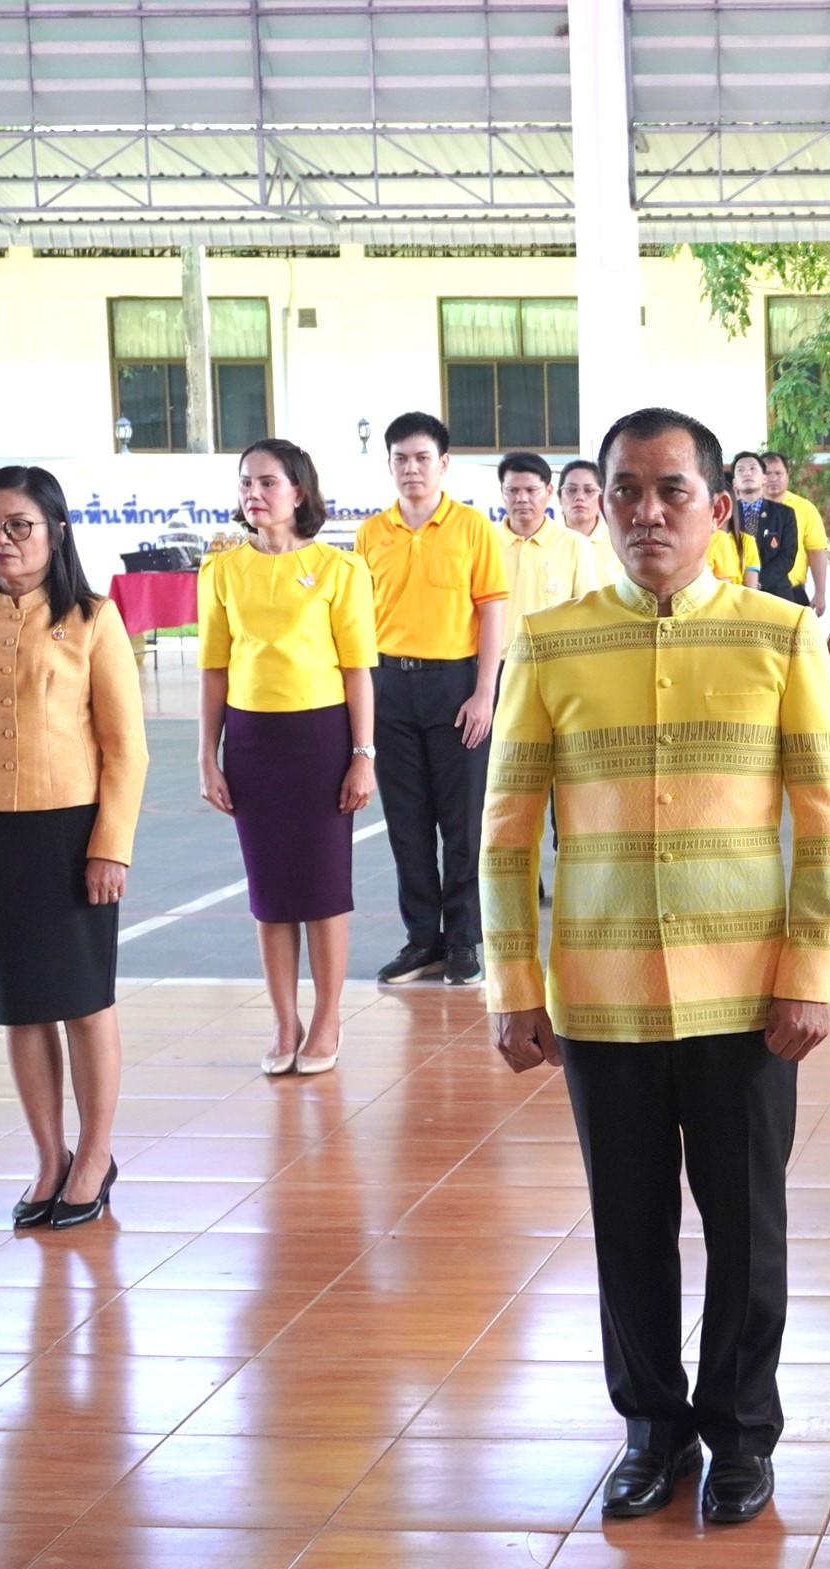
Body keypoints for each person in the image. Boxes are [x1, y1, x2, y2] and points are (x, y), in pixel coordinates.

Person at [483, 406, 830, 1526]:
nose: (647, 512)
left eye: (671, 491)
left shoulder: (783, 635)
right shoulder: (549, 639)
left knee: (747, 1227)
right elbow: (507, 830)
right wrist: (514, 987)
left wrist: (810, 971)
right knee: (627, 1222)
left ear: (716, 507)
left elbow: (823, 820)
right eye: (626, 490)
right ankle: (651, 1429)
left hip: (748, 993)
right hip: (602, 995)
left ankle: (741, 1437)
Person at [0, 466, 146, 1230]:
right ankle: (48, 1157)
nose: (0, 539)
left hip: (71, 833)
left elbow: (126, 745)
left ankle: (96, 1155)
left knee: (83, 1001)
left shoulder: (94, 619)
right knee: (20, 1009)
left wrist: (111, 844)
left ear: (56, 531)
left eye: (18, 525)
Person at [196, 439, 379, 1079]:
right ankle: (284, 1019)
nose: (254, 493)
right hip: (251, 742)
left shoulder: (340, 570)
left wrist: (363, 755)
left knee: (325, 891)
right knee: (270, 894)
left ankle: (327, 1018)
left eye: (267, 482)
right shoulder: (220, 571)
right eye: (246, 482)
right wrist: (208, 758)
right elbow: (214, 672)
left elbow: (358, 671)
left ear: (298, 491)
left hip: (321, 739)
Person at [355, 411, 509, 987]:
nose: (411, 469)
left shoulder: (472, 528)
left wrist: (483, 693)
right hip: (389, 686)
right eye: (401, 459)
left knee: (463, 821)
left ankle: (465, 941)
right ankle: (423, 940)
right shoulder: (372, 534)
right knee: (407, 823)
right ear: (389, 464)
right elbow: (357, 621)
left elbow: (492, 609)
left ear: (443, 464)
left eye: (422, 458)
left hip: (456, 687)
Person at [496, 451, 600, 622]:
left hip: (553, 649)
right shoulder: (484, 540)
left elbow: (588, 613)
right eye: (512, 490)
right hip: (496, 649)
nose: (522, 498)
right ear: (502, 492)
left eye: (531, 490)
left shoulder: (574, 544)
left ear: (549, 491)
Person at [761, 450, 830, 614]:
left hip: (792, 593)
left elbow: (817, 551)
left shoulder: (805, 508)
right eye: (767, 473)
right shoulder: (746, 509)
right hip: (753, 593)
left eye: (778, 473)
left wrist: (820, 593)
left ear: (788, 475)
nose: (772, 478)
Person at [732, 450, 805, 604]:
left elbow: (787, 555)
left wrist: (757, 582)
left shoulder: (784, 514)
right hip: (734, 594)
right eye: (740, 470)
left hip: (776, 594)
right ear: (734, 482)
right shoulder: (727, 514)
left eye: (753, 469)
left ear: (764, 478)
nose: (747, 473)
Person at [558, 458, 627, 587]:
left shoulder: (619, 541)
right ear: (560, 497)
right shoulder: (548, 541)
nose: (579, 497)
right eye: (571, 490)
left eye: (589, 490)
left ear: (603, 498)